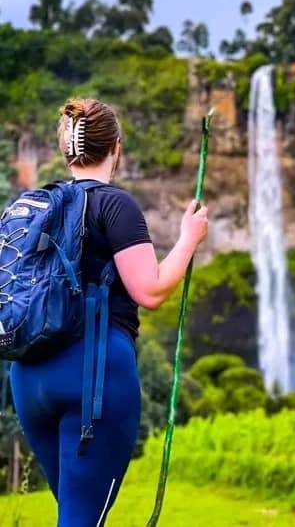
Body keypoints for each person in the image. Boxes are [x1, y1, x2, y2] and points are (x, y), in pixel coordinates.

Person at [9, 98, 209, 526]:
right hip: (92, 376)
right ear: (115, 148)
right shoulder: (115, 205)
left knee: (76, 515)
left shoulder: (36, 206)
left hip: (28, 380)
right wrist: (189, 238)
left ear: (67, 150)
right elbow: (150, 291)